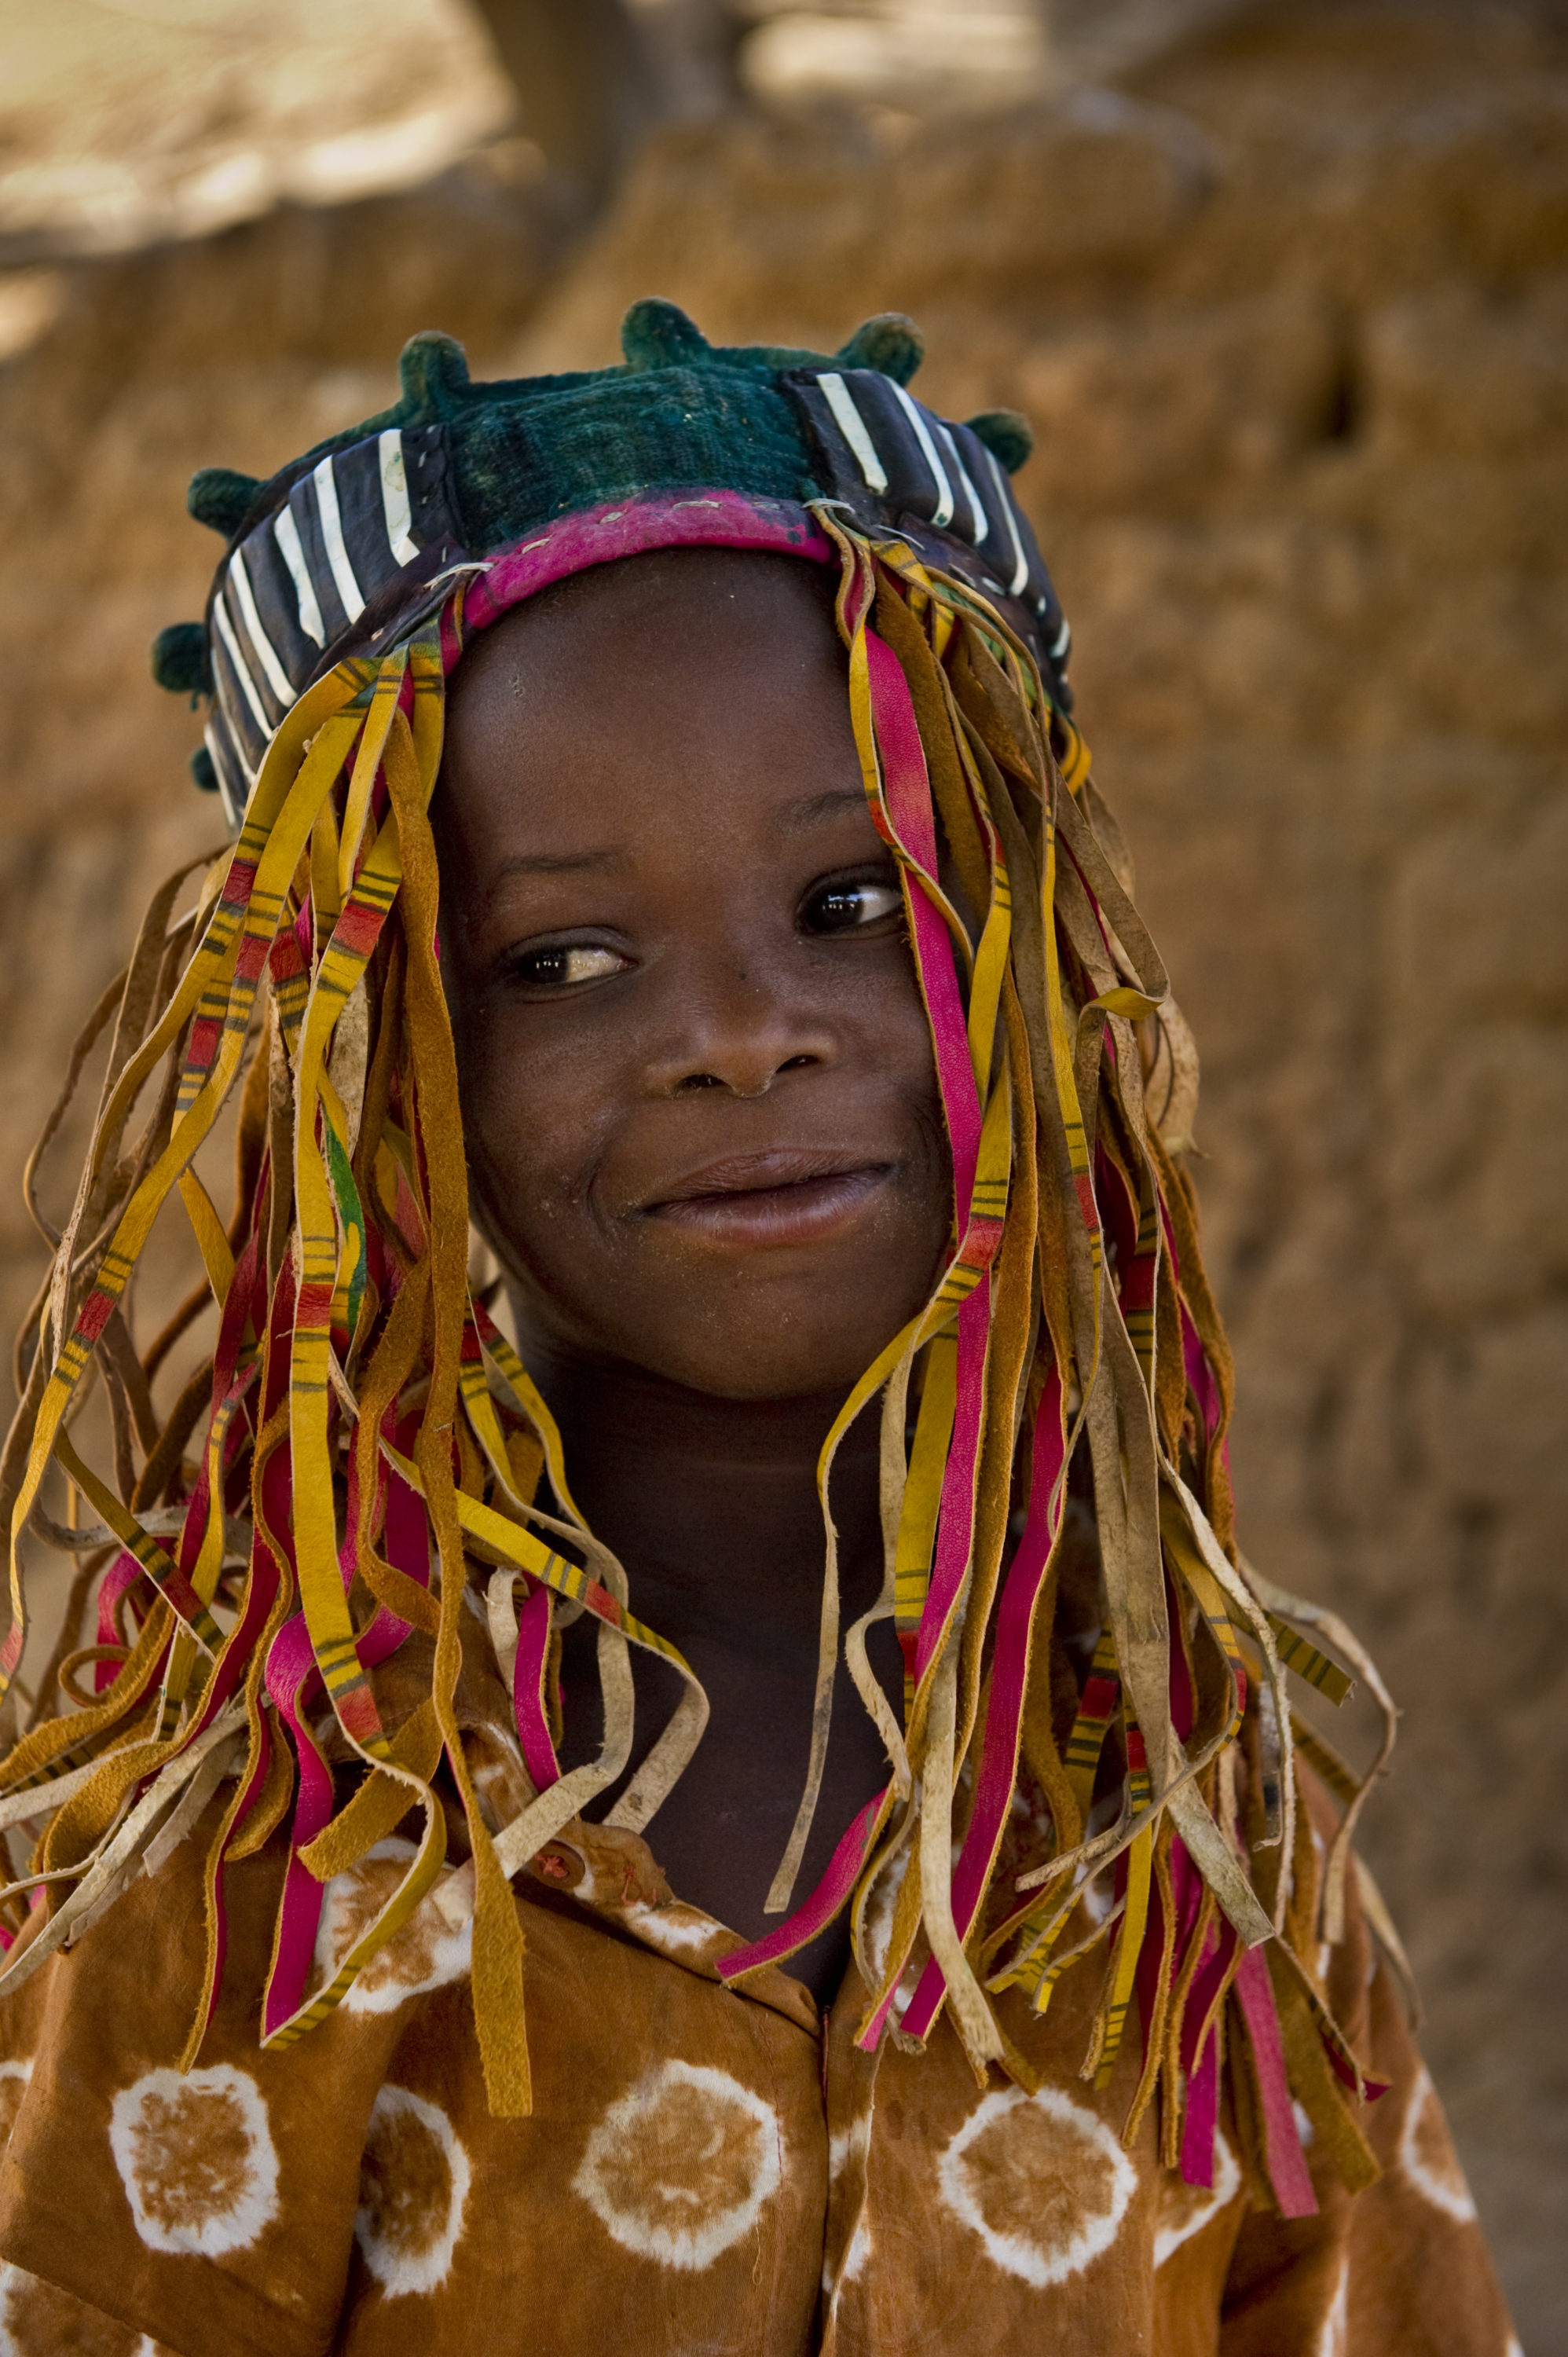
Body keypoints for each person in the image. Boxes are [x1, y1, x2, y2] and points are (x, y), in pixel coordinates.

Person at [0, 301, 1515, 2355]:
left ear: (1036, 960)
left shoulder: (1182, 1839)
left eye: (856, 904)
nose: (732, 1037)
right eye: (565, 957)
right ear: (389, 1063)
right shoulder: (263, 1824)